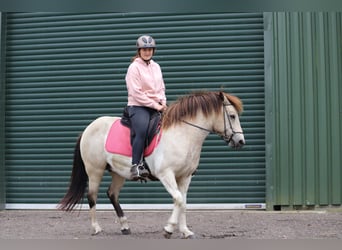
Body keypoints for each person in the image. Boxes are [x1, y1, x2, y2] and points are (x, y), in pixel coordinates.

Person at [125, 35, 167, 180]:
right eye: (144, 49)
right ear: (139, 51)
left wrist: (163, 102)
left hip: (157, 106)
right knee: (142, 130)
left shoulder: (156, 66)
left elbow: (161, 87)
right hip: (138, 106)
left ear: (153, 51)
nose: (147, 52)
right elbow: (136, 93)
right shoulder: (134, 68)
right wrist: (156, 105)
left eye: (149, 49)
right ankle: (136, 165)